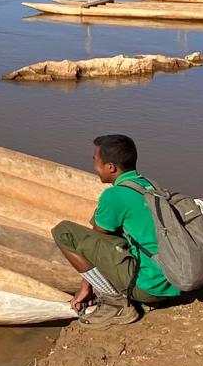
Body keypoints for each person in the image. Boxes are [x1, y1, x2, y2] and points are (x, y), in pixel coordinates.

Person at [52, 134, 182, 328]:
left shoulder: (114, 196)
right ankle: (139, 294)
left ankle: (115, 303)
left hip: (149, 287)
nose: (94, 166)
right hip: (174, 282)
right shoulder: (150, 185)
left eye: (95, 161)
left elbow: (93, 243)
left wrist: (85, 287)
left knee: (64, 232)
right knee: (104, 224)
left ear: (110, 167)